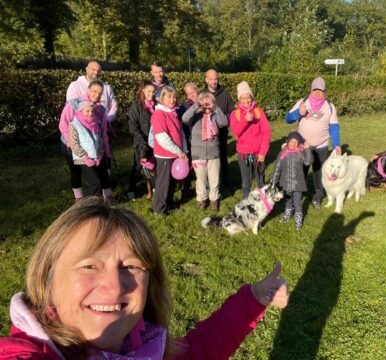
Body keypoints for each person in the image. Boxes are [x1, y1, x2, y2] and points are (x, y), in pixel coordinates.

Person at [0, 197, 289, 359]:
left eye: (131, 267)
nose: (114, 287)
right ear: (47, 280)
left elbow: (196, 353)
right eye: (88, 265)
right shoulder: (28, 354)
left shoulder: (140, 345)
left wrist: (252, 299)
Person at [285, 77, 341, 209]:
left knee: (319, 173)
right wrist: (299, 113)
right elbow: (287, 119)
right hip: (302, 146)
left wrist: (336, 144)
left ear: (325, 92)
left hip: (321, 146)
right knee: (300, 172)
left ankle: (317, 197)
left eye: (320, 90)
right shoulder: (303, 102)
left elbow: (334, 127)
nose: (317, 93)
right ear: (311, 91)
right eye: (315, 90)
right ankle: (296, 196)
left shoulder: (330, 107)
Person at [59, 80, 110, 202]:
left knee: (101, 171)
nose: (97, 95)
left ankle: (107, 196)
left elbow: (103, 131)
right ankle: (79, 198)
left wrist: (106, 149)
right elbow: (63, 125)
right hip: (72, 145)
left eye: (100, 93)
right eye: (94, 91)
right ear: (88, 90)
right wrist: (72, 144)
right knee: (76, 171)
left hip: (95, 146)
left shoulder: (100, 109)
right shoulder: (74, 104)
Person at [182, 92, 228, 211]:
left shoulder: (215, 114)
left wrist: (215, 108)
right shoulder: (195, 115)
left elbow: (224, 122)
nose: (206, 105)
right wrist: (197, 104)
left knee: (214, 179)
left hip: (213, 152)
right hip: (198, 152)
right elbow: (184, 118)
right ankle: (202, 200)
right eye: (204, 102)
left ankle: (214, 200)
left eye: (209, 102)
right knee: (200, 179)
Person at [229, 81, 271, 199]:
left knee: (260, 180)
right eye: (243, 98)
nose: (246, 101)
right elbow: (236, 132)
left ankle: (264, 202)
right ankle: (246, 202)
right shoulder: (235, 114)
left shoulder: (259, 112)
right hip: (244, 154)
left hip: (258, 154)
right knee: (246, 181)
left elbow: (266, 133)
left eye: (248, 97)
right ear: (239, 99)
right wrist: (245, 120)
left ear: (251, 97)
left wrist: (263, 152)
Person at [151, 86, 187, 216]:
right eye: (169, 97)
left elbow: (179, 133)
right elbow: (162, 137)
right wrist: (178, 151)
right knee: (163, 182)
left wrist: (183, 150)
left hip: (175, 153)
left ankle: (169, 203)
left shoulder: (172, 112)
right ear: (162, 98)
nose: (173, 99)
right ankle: (158, 208)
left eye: (174, 97)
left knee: (172, 182)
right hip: (165, 154)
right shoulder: (159, 114)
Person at [68, 101, 114, 201]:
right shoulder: (74, 124)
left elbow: (100, 141)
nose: (90, 113)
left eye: (92, 111)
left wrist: (100, 155)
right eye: (87, 111)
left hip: (96, 156)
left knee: (104, 177)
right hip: (83, 159)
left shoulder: (95, 122)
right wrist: (85, 157)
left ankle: (101, 201)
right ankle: (86, 204)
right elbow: (74, 144)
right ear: (81, 111)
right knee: (95, 182)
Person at [271, 131, 313, 230]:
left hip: (298, 184)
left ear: (299, 143)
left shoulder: (301, 153)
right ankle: (288, 213)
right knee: (288, 201)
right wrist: (273, 182)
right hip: (285, 184)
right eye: (291, 141)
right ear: (288, 142)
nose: (293, 144)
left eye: (295, 142)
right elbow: (277, 169)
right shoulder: (282, 154)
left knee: (297, 202)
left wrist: (307, 149)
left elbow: (308, 162)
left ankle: (298, 217)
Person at [127, 80, 156, 201]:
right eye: (149, 91)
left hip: (154, 141)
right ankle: (131, 190)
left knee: (154, 165)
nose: (151, 94)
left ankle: (154, 187)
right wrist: (141, 141)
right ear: (143, 90)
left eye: (153, 91)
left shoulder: (156, 105)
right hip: (141, 142)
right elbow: (133, 125)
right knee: (138, 166)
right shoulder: (136, 106)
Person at [205, 69, 234, 186]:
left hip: (222, 132)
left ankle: (225, 181)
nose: (214, 81)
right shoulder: (203, 94)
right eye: (211, 79)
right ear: (206, 79)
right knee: (210, 159)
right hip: (207, 135)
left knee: (222, 157)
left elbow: (231, 111)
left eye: (215, 78)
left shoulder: (225, 94)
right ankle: (210, 183)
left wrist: (226, 120)